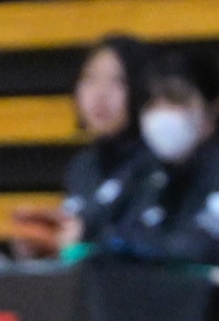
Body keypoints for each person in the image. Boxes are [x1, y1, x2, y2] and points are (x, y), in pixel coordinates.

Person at [11, 34, 145, 257]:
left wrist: (83, 238)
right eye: (91, 79)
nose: (101, 94)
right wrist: (46, 239)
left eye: (118, 81)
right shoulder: (82, 166)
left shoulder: (153, 166)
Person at [89, 51, 219, 264]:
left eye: (176, 99)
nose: (162, 112)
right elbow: (101, 228)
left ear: (212, 107)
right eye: (152, 102)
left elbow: (197, 246)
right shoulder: (141, 171)